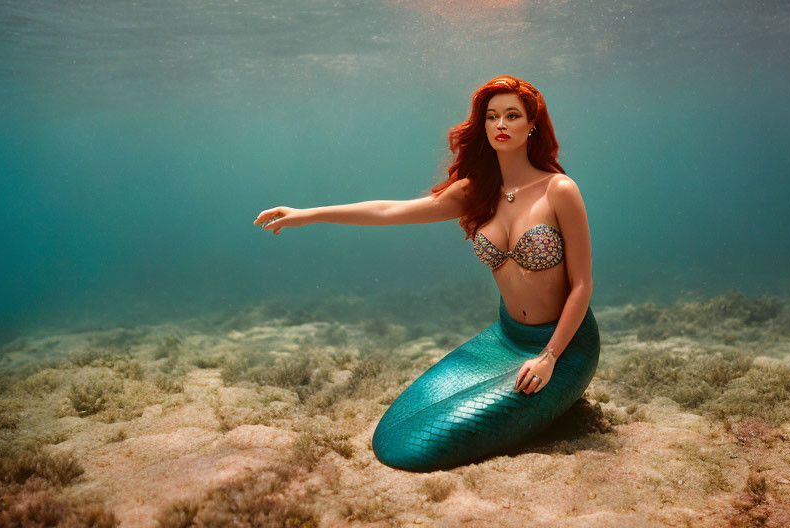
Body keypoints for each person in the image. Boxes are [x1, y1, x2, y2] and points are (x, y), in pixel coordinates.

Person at [253, 75, 599, 471]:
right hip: (506, 337)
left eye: (512, 115)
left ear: (532, 124)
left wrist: (549, 357)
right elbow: (390, 211)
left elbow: (582, 285)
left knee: (418, 450)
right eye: (491, 116)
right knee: (394, 434)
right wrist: (307, 215)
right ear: (482, 125)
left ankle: (559, 396)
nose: (500, 125)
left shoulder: (559, 190)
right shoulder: (476, 192)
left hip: (565, 346)